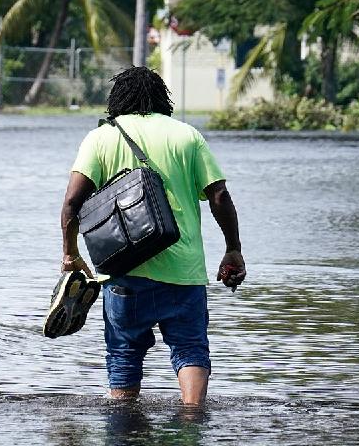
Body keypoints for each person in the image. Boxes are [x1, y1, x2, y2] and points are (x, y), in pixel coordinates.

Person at [59, 67, 245, 407]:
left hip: (123, 271)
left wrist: (70, 254)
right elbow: (219, 195)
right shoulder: (187, 136)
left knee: (123, 352)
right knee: (189, 349)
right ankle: (192, 421)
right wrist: (233, 249)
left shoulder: (101, 138)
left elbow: (72, 202)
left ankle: (123, 425)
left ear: (117, 100)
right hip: (183, 272)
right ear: (162, 98)